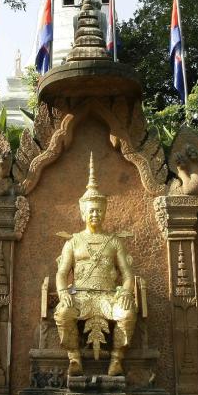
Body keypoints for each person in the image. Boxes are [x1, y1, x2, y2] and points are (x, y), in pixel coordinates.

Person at [54, 154, 137, 377]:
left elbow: (128, 275)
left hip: (109, 297)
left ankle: (117, 360)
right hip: (80, 296)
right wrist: (63, 292)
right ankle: (74, 359)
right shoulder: (72, 242)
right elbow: (62, 273)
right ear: (82, 212)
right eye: (90, 210)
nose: (95, 214)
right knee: (63, 313)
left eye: (99, 210)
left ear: (105, 211)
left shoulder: (114, 242)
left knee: (127, 312)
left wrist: (126, 292)